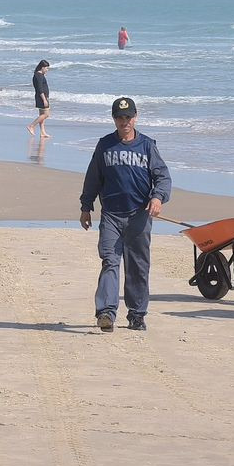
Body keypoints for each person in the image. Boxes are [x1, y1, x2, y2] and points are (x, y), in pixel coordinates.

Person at [80, 97, 172, 332]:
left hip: (139, 216)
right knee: (110, 261)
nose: (124, 122)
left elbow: (162, 176)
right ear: (114, 119)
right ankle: (106, 313)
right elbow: (93, 178)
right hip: (111, 215)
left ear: (135, 117)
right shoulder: (104, 145)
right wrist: (86, 206)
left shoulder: (147, 145)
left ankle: (137, 314)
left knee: (137, 266)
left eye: (128, 117)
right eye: (120, 118)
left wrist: (157, 197)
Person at [29, 59, 52, 137]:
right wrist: (44, 99)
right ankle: (31, 126)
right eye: (46, 68)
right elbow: (40, 88)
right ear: (42, 67)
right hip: (42, 97)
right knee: (46, 114)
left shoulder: (38, 75)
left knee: (42, 115)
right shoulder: (39, 76)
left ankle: (42, 132)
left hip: (41, 97)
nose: (47, 70)